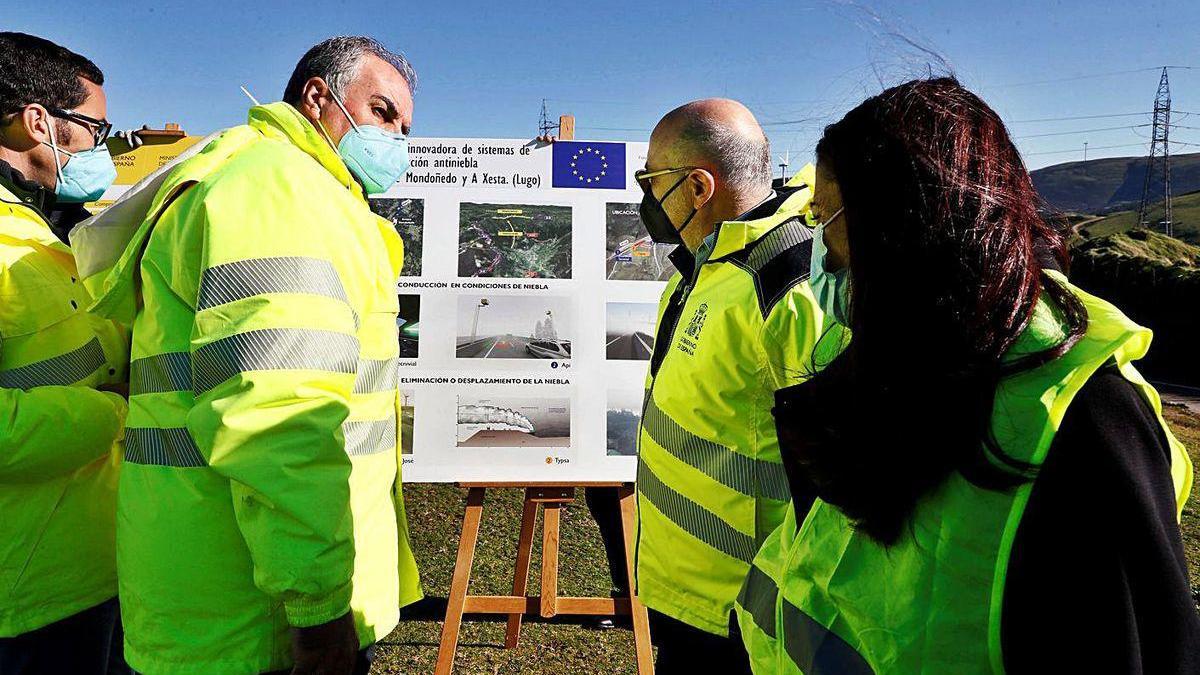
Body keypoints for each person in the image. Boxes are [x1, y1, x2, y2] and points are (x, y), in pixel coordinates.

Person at [736, 77, 1200, 674]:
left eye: (828, 218)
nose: (821, 252)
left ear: (904, 226)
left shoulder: (1088, 421)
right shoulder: (885, 362)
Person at [82, 36, 423, 674]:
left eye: (404, 125)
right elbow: (276, 419)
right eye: (382, 112)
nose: (395, 138)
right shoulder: (280, 192)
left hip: (216, 590)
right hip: (257, 614)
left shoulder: (268, 183)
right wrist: (319, 613)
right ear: (318, 97)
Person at [633, 99, 832, 673]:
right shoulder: (707, 265)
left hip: (747, 610)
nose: (644, 196)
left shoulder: (788, 284)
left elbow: (832, 479)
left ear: (698, 187)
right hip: (686, 592)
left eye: (651, 180)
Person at [0, 32, 130, 674]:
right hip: (22, 599)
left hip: (87, 569)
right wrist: (113, 413)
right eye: (94, 130)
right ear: (37, 122)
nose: (102, 149)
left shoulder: (50, 228)